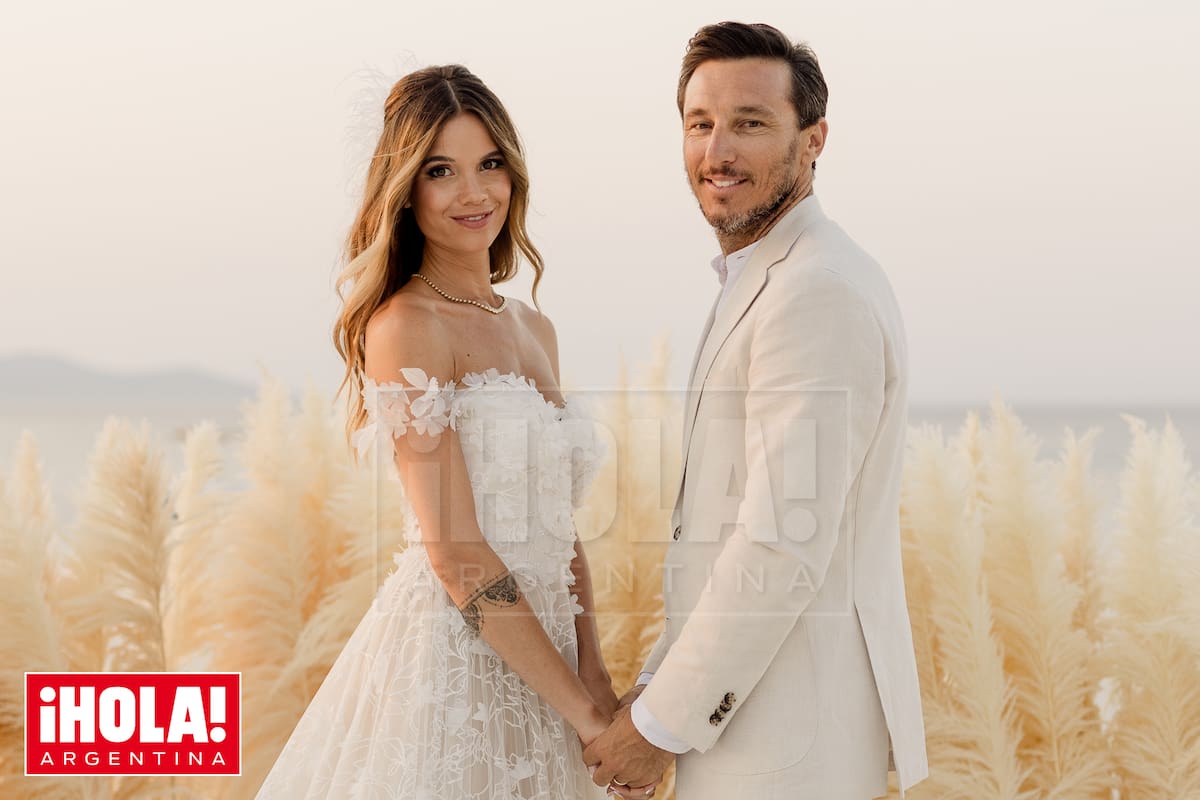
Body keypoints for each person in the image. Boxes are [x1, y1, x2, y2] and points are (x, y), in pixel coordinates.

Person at [582, 22, 929, 800]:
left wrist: (656, 728)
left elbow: (779, 544)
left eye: (750, 122)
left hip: (787, 753)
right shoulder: (765, 275)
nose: (717, 152)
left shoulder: (817, 292)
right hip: (752, 733)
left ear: (814, 141)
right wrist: (659, 687)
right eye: (700, 124)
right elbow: (720, 532)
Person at [256, 64, 614, 799]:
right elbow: (454, 553)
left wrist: (594, 676)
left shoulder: (532, 326)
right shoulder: (406, 326)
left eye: (489, 164)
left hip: (552, 666)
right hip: (456, 668)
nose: (473, 193)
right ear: (406, 189)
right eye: (441, 171)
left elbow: (559, 526)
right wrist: (582, 714)